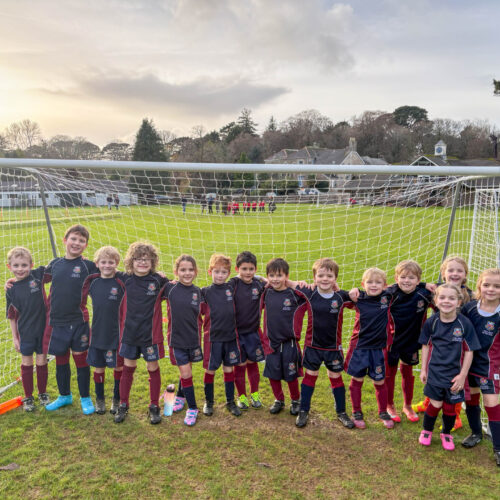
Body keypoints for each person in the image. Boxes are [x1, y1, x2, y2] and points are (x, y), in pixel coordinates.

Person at [292, 258, 355, 429]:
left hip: (333, 348)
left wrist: (356, 291)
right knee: (310, 376)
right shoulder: (310, 293)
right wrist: (299, 282)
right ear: (314, 278)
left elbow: (360, 300)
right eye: (320, 275)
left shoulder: (342, 296)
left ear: (335, 278)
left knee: (335, 377)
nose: (325, 279)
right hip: (312, 346)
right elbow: (286, 282)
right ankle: (304, 410)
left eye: (329, 276)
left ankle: (341, 412)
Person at [42, 224, 98, 415]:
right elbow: (37, 279)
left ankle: (85, 397)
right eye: (73, 239)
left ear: (86, 245)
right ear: (65, 240)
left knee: (81, 359)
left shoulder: (88, 266)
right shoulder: (55, 264)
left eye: (81, 240)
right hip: (57, 322)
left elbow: (110, 273)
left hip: (79, 322)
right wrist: (13, 282)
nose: (76, 243)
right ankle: (64, 395)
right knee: (61, 359)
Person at [413, 255, 472, 429]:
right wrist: (425, 284)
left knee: (454, 380)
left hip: (457, 346)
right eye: (450, 270)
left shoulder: (470, 296)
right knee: (433, 374)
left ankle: (456, 415)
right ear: (443, 273)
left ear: (465, 274)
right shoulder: (435, 290)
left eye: (459, 270)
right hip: (437, 340)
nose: (455, 274)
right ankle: (429, 402)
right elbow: (412, 286)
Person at [418, 284, 480, 451]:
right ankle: (426, 431)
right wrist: (423, 369)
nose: (446, 301)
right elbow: (425, 346)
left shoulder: (464, 324)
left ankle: (446, 433)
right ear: (436, 301)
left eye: (451, 298)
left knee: (450, 408)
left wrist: (462, 375)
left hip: (454, 376)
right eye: (442, 297)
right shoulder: (432, 322)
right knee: (435, 404)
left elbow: (469, 351)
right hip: (435, 373)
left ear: (458, 302)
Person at [114, 242, 168, 425]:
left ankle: (154, 406)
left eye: (147, 259)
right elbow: (104, 269)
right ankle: (123, 404)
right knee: (128, 368)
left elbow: (176, 288)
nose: (142, 262)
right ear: (131, 261)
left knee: (153, 367)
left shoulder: (159, 281)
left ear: (153, 262)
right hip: (129, 335)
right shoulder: (124, 279)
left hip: (150, 336)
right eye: (138, 259)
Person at [259, 258, 312, 416]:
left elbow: (311, 293)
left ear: (286, 276)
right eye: (271, 275)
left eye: (279, 275)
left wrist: (295, 283)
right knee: (272, 375)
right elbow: (249, 282)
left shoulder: (295, 295)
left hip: (290, 344)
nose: (275, 279)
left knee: (291, 375)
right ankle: (279, 400)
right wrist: (262, 280)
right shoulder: (266, 293)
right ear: (267, 276)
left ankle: (295, 400)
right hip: (271, 343)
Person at [344, 268, 395, 429]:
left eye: (378, 282)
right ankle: (356, 412)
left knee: (379, 380)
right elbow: (339, 295)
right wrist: (352, 291)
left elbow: (403, 285)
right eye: (370, 282)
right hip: (359, 347)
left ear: (385, 285)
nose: (373, 285)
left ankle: (383, 412)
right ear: (362, 284)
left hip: (379, 349)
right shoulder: (358, 298)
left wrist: (424, 284)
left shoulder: (388, 297)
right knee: (357, 379)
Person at [384, 260, 434, 423]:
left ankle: (407, 405)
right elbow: (371, 293)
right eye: (403, 277)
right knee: (390, 374)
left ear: (418, 280)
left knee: (407, 373)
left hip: (412, 342)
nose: (407, 281)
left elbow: (445, 290)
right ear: (396, 278)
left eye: (411, 278)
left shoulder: (424, 294)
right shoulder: (390, 294)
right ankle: (389, 405)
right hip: (391, 343)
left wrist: (426, 285)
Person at [460, 269, 500, 466]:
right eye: (486, 285)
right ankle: (476, 433)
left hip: (490, 367)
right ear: (479, 286)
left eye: (497, 286)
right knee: (471, 398)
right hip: (468, 363)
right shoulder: (469, 308)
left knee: (491, 404)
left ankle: (498, 448)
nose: (491, 289)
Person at [81, 246, 126, 415]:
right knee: (98, 367)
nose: (107, 265)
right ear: (97, 264)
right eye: (103, 262)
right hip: (97, 333)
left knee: (118, 367)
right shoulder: (92, 281)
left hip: (116, 334)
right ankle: (100, 400)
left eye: (111, 262)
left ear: (117, 263)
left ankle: (117, 399)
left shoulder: (121, 281)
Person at [6, 247, 50, 411]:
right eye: (16, 265)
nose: (20, 269)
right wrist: (15, 337)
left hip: (43, 330)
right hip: (25, 332)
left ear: (31, 265)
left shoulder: (37, 276)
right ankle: (28, 397)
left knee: (42, 360)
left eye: (24, 265)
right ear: (9, 266)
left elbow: (56, 268)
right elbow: (11, 315)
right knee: (27, 362)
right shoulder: (11, 289)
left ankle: (43, 393)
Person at [164, 255, 203, 426]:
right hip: (176, 340)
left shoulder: (199, 292)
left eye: (190, 270)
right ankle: (193, 408)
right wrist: (161, 276)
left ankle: (180, 396)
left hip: (193, 340)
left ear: (196, 272)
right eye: (183, 270)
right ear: (176, 271)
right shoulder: (169, 289)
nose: (187, 273)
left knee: (187, 370)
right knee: (186, 373)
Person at [201, 254, 242, 417]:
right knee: (210, 370)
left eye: (224, 272)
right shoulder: (204, 292)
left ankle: (230, 402)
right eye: (216, 271)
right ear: (210, 271)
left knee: (229, 368)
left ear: (228, 274)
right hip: (213, 339)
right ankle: (209, 401)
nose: (220, 275)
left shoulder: (231, 287)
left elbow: (247, 276)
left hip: (230, 337)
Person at [230, 251, 266, 410]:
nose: (248, 272)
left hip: (253, 332)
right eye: (244, 269)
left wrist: (261, 278)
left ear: (255, 269)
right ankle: (242, 396)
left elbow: (273, 284)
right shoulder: (233, 284)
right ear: (237, 269)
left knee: (253, 363)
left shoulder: (259, 285)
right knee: (240, 364)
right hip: (237, 334)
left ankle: (255, 394)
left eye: (251, 269)